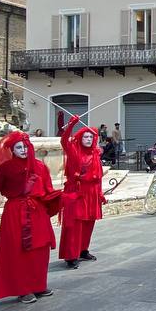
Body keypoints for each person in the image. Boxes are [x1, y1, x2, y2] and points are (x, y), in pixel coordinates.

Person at [0, 131, 61, 304]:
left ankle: (38, 285)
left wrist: (61, 198)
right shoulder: (4, 169)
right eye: (18, 147)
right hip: (15, 212)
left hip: (37, 212)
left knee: (40, 249)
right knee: (18, 251)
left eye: (25, 146)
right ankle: (22, 289)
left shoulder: (40, 167)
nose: (23, 150)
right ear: (12, 150)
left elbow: (48, 190)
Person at [59, 115, 105, 269]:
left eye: (91, 137)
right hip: (78, 192)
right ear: (80, 138)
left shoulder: (95, 154)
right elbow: (64, 141)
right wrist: (71, 125)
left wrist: (100, 193)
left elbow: (98, 176)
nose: (88, 139)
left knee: (88, 223)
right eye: (85, 136)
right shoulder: (74, 151)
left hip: (92, 192)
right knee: (75, 224)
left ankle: (83, 250)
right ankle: (71, 255)